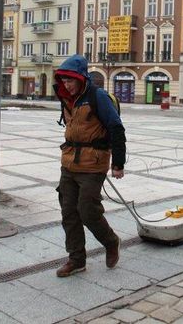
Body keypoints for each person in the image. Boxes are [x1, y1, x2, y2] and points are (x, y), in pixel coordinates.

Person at [53, 54, 126, 277]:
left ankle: (111, 241)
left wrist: (118, 163)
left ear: (81, 78)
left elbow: (116, 127)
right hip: (69, 163)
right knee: (69, 213)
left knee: (87, 210)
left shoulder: (98, 97)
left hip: (93, 165)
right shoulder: (68, 99)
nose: (67, 85)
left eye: (71, 81)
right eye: (64, 81)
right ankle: (76, 259)